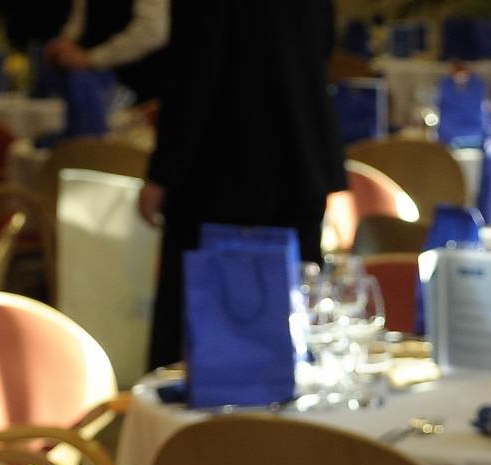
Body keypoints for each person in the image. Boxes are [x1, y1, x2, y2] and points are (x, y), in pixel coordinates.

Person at [142, 0, 344, 369]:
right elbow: (321, 46)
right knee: (290, 325)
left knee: (200, 333)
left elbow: (194, 72)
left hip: (218, 165)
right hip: (298, 153)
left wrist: (162, 173)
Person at [43, 0, 171, 106]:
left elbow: (152, 31)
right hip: (90, 75)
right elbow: (80, 15)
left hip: (136, 84)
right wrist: (67, 40)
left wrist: (92, 59)